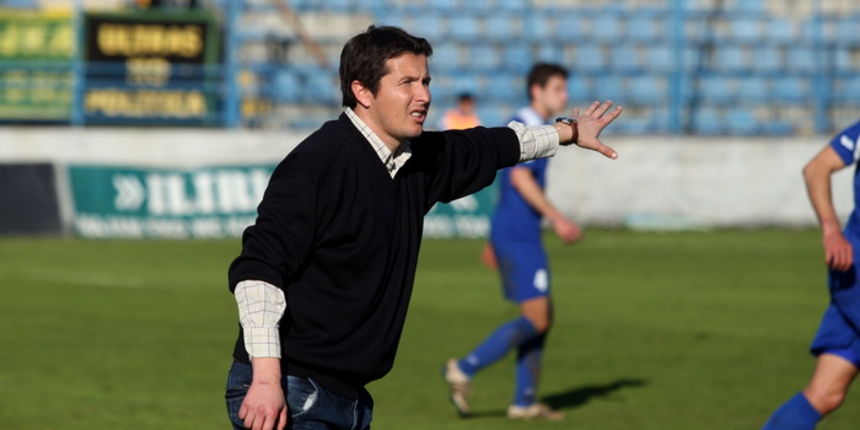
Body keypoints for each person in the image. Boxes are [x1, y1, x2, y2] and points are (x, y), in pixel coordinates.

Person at [224, 26, 622, 430]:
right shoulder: (318, 163)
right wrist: (267, 380)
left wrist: (570, 132)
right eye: (407, 83)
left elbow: (495, 144)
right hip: (287, 392)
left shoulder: (417, 159)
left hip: (349, 397)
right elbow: (258, 273)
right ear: (363, 92)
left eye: (426, 81)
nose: (425, 95)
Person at [442, 63, 583, 421]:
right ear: (537, 91)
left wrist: (494, 238)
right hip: (519, 234)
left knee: (540, 316)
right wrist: (557, 217)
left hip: (514, 232)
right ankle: (464, 367)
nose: (563, 96)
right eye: (558, 89)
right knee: (537, 317)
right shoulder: (527, 125)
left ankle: (524, 401)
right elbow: (519, 181)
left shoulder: (530, 123)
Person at [761, 121, 860, 429]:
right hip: (856, 272)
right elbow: (817, 168)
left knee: (825, 393)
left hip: (850, 276)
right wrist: (830, 229)